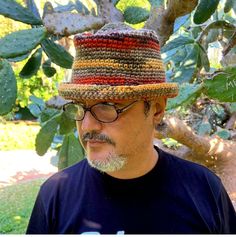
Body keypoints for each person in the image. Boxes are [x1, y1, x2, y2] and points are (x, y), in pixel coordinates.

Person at [26, 23, 236, 234]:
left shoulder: (205, 191)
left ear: (157, 109)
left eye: (107, 107)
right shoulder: (55, 196)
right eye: (79, 107)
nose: (87, 126)